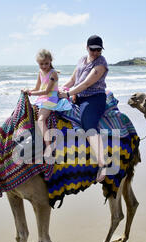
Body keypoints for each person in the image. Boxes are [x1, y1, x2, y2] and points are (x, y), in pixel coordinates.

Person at [58, 35, 109, 183]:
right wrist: (60, 89)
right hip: (77, 96)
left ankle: (103, 163)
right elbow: (73, 79)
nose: (95, 52)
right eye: (93, 49)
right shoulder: (81, 60)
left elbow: (86, 83)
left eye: (99, 49)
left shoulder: (101, 63)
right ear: (87, 47)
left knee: (88, 124)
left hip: (94, 98)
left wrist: (67, 93)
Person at [24, 49, 71, 149]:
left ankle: (48, 146)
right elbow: (37, 88)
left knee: (41, 120)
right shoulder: (40, 72)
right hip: (42, 99)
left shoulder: (53, 73)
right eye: (41, 64)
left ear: (50, 61)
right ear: (38, 63)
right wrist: (27, 90)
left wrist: (31, 93)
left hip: (50, 99)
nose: (44, 66)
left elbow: (47, 91)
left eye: (46, 63)